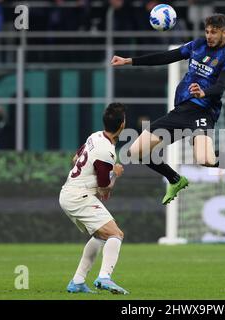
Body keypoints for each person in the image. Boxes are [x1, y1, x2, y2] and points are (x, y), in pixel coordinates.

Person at [111, 13, 225, 205]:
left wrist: (203, 93)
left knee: (204, 159)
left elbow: (222, 85)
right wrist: (129, 61)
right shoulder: (197, 45)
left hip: (203, 113)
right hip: (180, 112)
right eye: (207, 32)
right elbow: (166, 57)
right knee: (136, 151)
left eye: (214, 32)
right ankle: (175, 179)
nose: (209, 36)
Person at [59, 103, 129, 295]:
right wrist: (115, 173)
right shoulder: (106, 151)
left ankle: (77, 282)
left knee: (100, 236)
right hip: (78, 196)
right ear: (122, 125)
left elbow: (75, 160)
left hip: (70, 192)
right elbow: (104, 187)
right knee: (116, 234)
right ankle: (105, 277)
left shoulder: (95, 136)